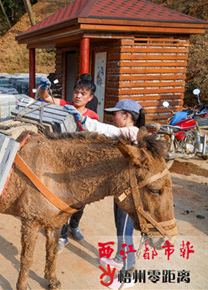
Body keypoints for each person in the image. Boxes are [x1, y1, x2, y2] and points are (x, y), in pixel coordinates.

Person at [65, 99, 145, 290]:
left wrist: (84, 120)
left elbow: (107, 130)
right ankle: (119, 258)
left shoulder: (132, 132)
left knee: (125, 233)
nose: (112, 117)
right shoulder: (130, 132)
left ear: (126, 116)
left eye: (115, 114)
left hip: (130, 193)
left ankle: (128, 276)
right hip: (122, 189)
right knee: (120, 229)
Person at [39, 75, 98, 252]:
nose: (78, 96)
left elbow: (94, 140)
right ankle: (62, 235)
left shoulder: (93, 116)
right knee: (63, 200)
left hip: (81, 164)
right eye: (76, 92)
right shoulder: (65, 106)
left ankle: (75, 225)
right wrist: (43, 88)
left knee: (81, 201)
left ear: (90, 98)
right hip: (62, 162)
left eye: (83, 93)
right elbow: (46, 98)